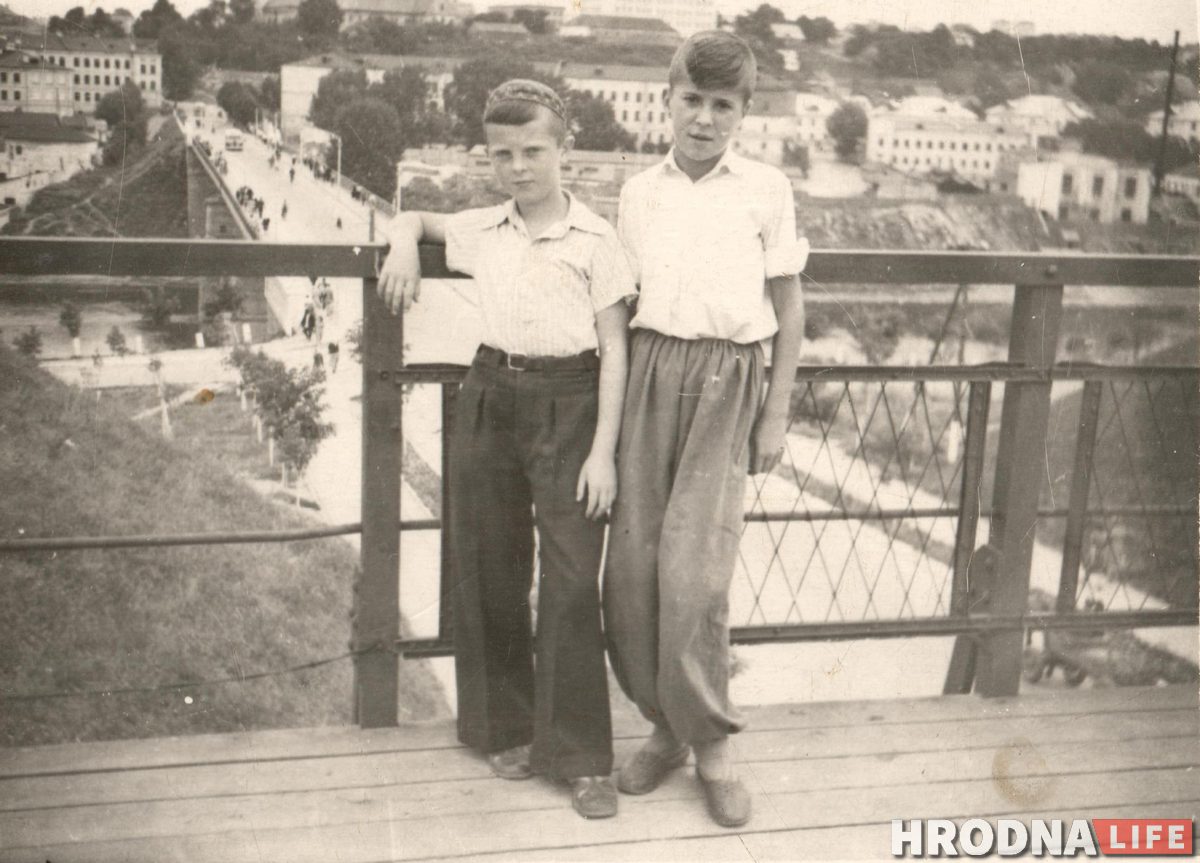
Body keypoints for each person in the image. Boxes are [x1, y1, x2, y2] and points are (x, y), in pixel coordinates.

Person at [377, 79, 634, 820]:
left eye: (533, 151)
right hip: (490, 394)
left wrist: (603, 453)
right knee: (489, 563)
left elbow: (615, 351)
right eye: (502, 155)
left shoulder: (596, 239)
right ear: (487, 157)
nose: (518, 168)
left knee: (571, 579)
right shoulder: (481, 228)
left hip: (572, 403)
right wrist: (403, 244)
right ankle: (505, 728)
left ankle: (581, 758)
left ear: (564, 149)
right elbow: (413, 217)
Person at [602, 30, 809, 830]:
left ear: (744, 112)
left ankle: (713, 746)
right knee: (633, 575)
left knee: (696, 578)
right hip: (650, 373)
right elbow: (619, 305)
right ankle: (666, 730)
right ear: (667, 100)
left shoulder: (765, 188)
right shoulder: (638, 192)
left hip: (729, 382)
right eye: (691, 100)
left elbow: (789, 309)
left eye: (723, 105)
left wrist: (776, 411)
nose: (703, 119)